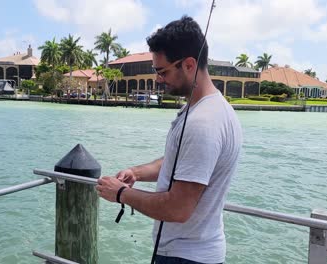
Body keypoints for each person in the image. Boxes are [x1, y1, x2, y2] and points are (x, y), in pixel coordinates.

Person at [96, 16, 242, 264]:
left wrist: (120, 194)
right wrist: (137, 172)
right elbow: (182, 163)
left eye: (162, 71)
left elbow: (178, 208)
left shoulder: (203, 122)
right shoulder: (210, 109)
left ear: (188, 64)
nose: (158, 79)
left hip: (185, 257)